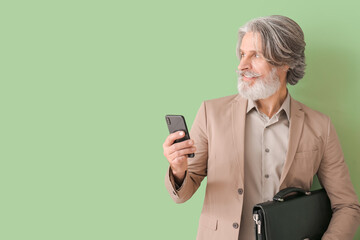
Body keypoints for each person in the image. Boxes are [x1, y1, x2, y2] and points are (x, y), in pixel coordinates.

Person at [163, 15, 360, 240]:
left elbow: (347, 206)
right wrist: (179, 170)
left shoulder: (319, 126)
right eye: (242, 54)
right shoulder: (211, 113)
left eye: (255, 55)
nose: (242, 66)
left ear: (286, 61)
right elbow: (182, 194)